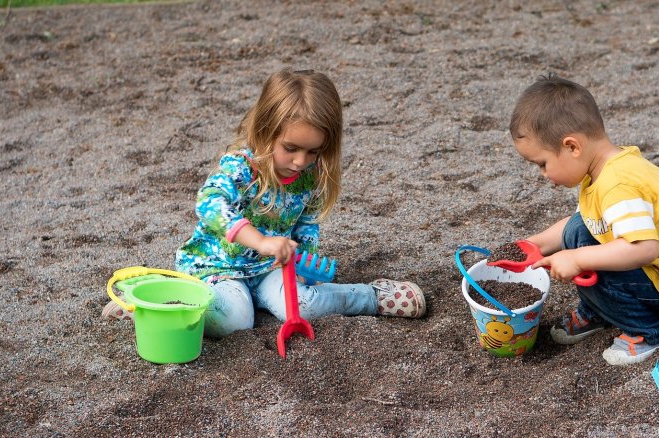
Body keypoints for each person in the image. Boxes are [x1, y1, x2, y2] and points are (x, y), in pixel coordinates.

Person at [103, 69, 425, 336]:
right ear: (265, 131)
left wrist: (302, 263)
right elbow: (208, 203)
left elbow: (306, 225)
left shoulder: (310, 175)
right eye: (291, 148)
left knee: (303, 307)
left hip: (270, 268)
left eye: (313, 151)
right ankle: (156, 303)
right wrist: (259, 241)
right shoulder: (242, 167)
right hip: (219, 268)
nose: (301, 161)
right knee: (235, 320)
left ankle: (373, 297)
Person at [509, 74, 659, 365]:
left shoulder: (618, 184)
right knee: (580, 232)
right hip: (657, 271)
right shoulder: (603, 170)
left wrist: (577, 259)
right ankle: (601, 311)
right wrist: (535, 244)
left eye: (542, 163)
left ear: (572, 147)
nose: (543, 174)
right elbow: (582, 224)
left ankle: (652, 330)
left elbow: (642, 248)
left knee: (586, 252)